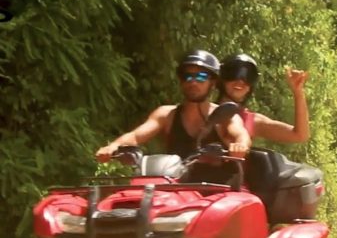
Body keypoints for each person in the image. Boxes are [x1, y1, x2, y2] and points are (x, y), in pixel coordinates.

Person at [95, 50, 251, 179]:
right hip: (177, 192)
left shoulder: (224, 115)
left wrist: (240, 146)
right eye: (187, 76)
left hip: (220, 195)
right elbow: (135, 136)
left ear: (213, 82)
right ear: (181, 81)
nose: (193, 82)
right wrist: (113, 146)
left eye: (201, 77)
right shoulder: (166, 115)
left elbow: (241, 135)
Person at [217, 53, 310, 143]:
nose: (240, 81)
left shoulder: (252, 121)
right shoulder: (206, 109)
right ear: (222, 78)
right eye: (233, 73)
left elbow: (300, 135)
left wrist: (298, 92)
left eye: (249, 77)